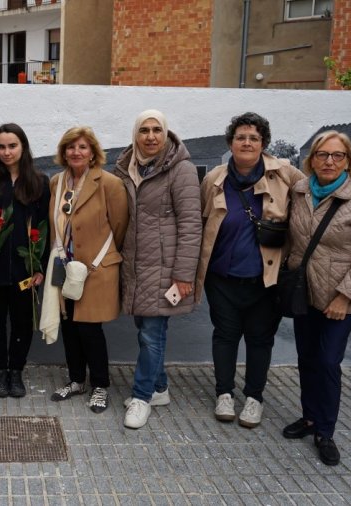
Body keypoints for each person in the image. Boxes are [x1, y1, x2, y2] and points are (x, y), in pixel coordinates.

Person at [281, 130, 351, 466]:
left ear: (348, 161)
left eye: (337, 156)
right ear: (311, 160)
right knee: (307, 358)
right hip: (305, 293)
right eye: (322, 155)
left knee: (327, 362)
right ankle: (310, 417)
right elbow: (291, 239)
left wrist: (345, 296)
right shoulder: (298, 192)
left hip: (339, 298)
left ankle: (325, 431)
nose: (329, 161)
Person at [196, 112, 304, 428]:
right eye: (241, 137)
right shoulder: (213, 179)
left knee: (260, 339)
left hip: (265, 279)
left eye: (253, 138)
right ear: (230, 143)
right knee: (225, 336)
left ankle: (254, 397)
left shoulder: (286, 175)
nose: (246, 143)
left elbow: (309, 210)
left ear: (263, 144)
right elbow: (203, 224)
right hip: (221, 277)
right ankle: (224, 394)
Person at [113, 110, 201, 429]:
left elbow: (192, 225)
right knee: (148, 331)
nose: (151, 136)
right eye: (144, 130)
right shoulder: (126, 168)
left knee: (152, 333)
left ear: (166, 134)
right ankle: (160, 387)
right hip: (135, 267)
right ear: (135, 135)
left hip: (165, 268)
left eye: (157, 130)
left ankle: (142, 396)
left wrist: (183, 274)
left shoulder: (182, 170)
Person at [47, 126, 128, 413]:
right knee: (69, 326)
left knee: (90, 329)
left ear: (92, 152)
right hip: (65, 267)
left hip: (96, 269)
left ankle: (101, 386)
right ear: (63, 152)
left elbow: (119, 227)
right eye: (71, 147)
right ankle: (76, 380)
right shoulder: (57, 183)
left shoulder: (108, 183)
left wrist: (99, 257)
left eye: (82, 147)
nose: (76, 152)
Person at [0, 123, 50, 398]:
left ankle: (16, 371)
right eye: (1, 147)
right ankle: (0, 372)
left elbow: (45, 227)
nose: (7, 152)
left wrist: (39, 267)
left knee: (22, 322)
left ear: (23, 147)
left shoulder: (40, 182)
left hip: (25, 271)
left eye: (12, 146)